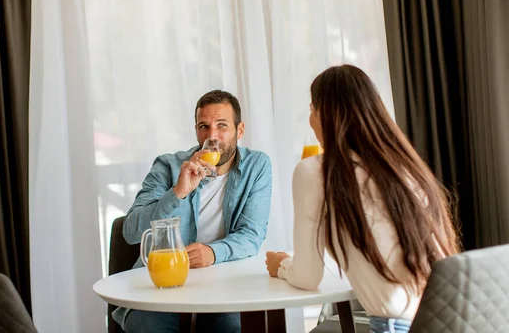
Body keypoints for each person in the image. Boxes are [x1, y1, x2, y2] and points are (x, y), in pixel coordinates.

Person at [265, 65, 460, 333]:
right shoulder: (406, 168)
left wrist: (283, 265)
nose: (310, 119)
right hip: (454, 321)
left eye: (312, 110)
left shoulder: (314, 171)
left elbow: (308, 276)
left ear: (325, 115)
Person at [115, 90, 272, 333]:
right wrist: (177, 192)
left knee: (231, 328)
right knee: (147, 326)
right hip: (163, 287)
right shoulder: (168, 165)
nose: (213, 136)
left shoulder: (257, 166)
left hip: (224, 284)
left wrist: (212, 252)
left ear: (239, 130)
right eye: (204, 127)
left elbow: (252, 234)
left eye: (222, 126)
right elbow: (131, 232)